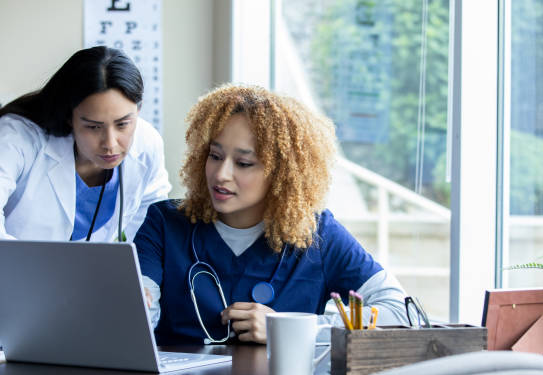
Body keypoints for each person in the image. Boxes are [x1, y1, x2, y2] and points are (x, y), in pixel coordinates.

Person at [135, 84, 409, 346]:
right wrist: (138, 307)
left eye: (243, 163)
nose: (221, 175)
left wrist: (288, 328)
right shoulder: (164, 223)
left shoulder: (318, 234)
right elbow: (138, 313)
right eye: (215, 156)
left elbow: (402, 313)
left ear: (282, 173)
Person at [0, 46, 170, 349]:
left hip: (59, 316)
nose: (111, 143)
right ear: (69, 116)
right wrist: (44, 276)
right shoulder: (19, 137)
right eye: (93, 126)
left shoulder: (146, 145)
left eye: (124, 124)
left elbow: (151, 221)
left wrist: (136, 281)